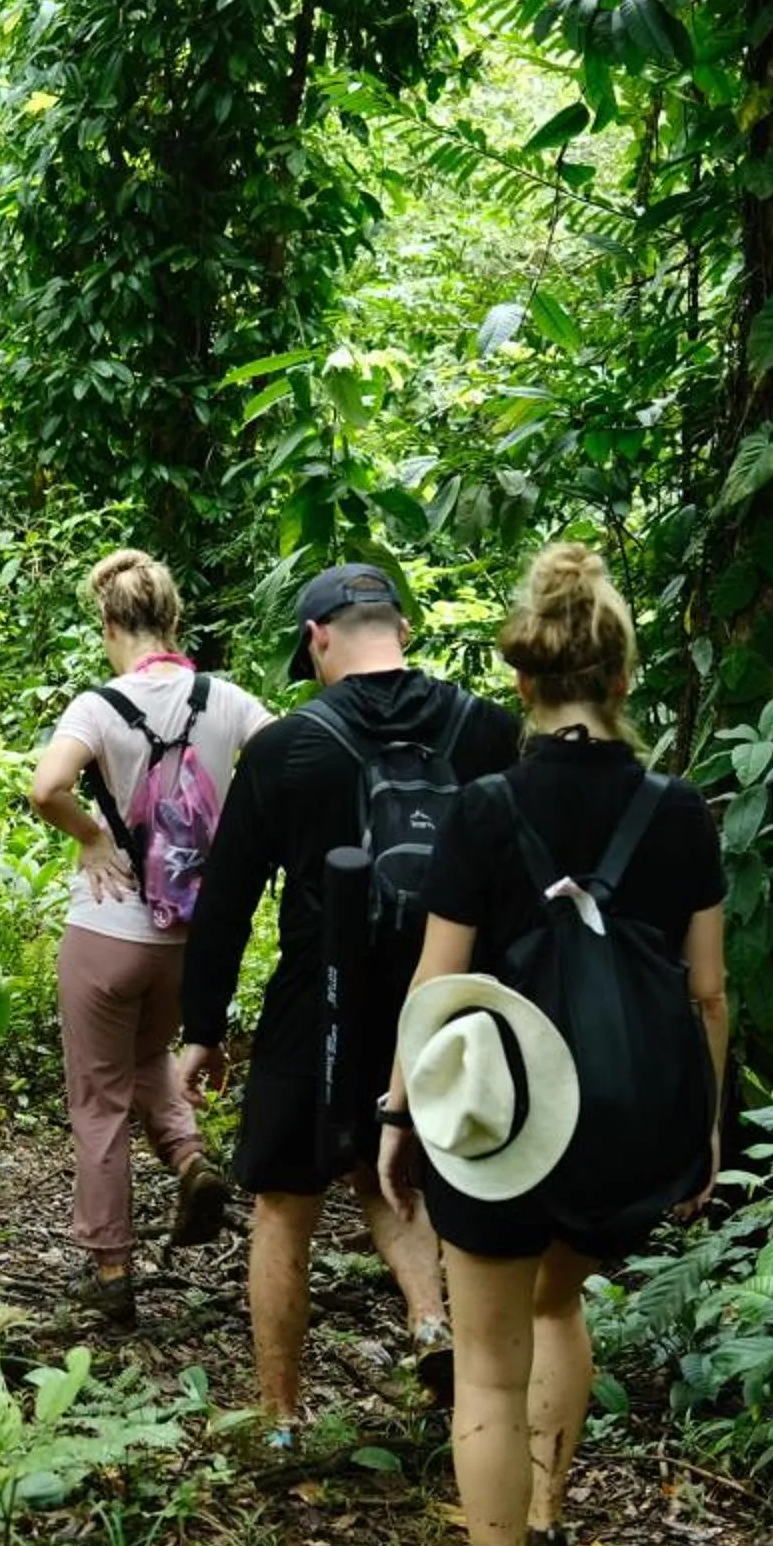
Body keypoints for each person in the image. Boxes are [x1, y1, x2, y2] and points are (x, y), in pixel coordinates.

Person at [382, 541, 730, 1546]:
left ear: (525, 683)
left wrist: (399, 1114)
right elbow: (708, 991)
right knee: (557, 1307)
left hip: (497, 1124)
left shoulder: (484, 808)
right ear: (624, 681)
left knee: (483, 1358)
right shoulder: (681, 812)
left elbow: (437, 988)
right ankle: (545, 1510)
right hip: (622, 1123)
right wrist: (705, 1124)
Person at [174, 563, 520, 1437]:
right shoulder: (491, 733)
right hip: (452, 1006)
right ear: (400, 627)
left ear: (319, 637)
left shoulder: (286, 747)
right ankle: (441, 1335)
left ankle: (282, 1420)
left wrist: (202, 1031)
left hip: (317, 1003)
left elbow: (228, 900)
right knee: (419, 1174)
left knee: (285, 1206)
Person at [28, 551, 270, 1325]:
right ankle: (190, 1158)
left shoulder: (99, 707)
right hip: (191, 941)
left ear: (109, 625)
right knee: (146, 1057)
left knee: (97, 1101)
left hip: (108, 930)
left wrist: (93, 840)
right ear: (174, 620)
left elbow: (46, 787)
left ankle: (110, 1271)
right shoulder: (229, 700)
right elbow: (292, 765)